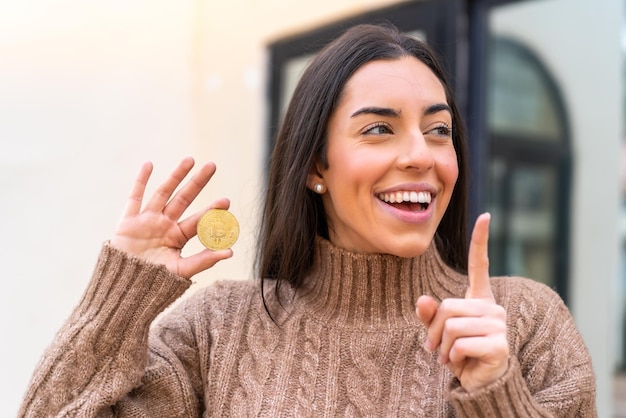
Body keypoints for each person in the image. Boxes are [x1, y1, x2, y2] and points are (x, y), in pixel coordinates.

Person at [19, 23, 596, 417]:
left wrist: (498, 394)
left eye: (438, 129)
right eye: (379, 128)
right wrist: (119, 303)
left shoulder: (524, 322)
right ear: (315, 166)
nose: (422, 154)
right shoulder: (216, 330)